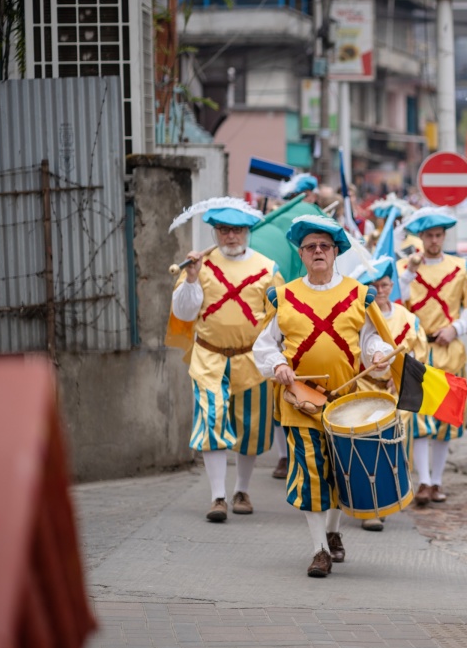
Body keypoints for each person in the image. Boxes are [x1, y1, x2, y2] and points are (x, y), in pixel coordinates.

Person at [253, 216, 395, 577]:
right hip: (300, 402)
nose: (318, 252)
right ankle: (319, 550)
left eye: (324, 247)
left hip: (347, 402)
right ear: (301, 254)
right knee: (312, 473)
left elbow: (371, 339)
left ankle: (333, 531)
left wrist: (377, 354)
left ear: (335, 253)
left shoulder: (358, 295)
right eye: (310, 247)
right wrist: (278, 365)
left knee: (342, 473)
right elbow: (265, 345)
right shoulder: (282, 297)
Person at [168, 198, 282, 522]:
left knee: (251, 428)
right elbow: (183, 313)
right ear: (215, 232)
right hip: (209, 359)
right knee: (211, 423)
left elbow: (279, 318)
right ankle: (218, 496)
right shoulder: (199, 266)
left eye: (237, 230)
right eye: (224, 230)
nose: (231, 236)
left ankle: (241, 489)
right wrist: (191, 279)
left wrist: (277, 356)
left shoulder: (267, 268)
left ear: (247, 231)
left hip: (252, 359)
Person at [397, 208, 467, 506]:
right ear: (420, 238)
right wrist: (409, 270)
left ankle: (436, 481)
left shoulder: (461, 267)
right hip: (418, 352)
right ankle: (422, 481)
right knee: (420, 419)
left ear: (444, 236)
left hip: (450, 350)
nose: (434, 241)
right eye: (428, 236)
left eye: (438, 235)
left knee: (445, 420)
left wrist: (456, 328)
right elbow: (395, 301)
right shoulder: (405, 268)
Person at [351, 256, 429, 532]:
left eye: (384, 285)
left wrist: (403, 381)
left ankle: (387, 498)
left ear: (392, 286)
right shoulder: (360, 317)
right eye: (374, 285)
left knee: (394, 446)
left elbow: (420, 356)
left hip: (396, 391)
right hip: (366, 386)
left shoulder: (407, 319)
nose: (380, 290)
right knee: (366, 446)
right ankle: (369, 507)